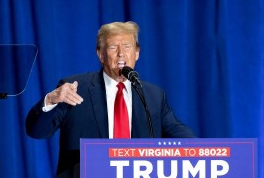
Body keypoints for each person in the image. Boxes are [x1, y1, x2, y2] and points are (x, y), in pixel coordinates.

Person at [25, 21, 195, 178]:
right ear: (101, 55)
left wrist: (207, 153)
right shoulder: (75, 88)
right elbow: (37, 131)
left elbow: (182, 137)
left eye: (127, 46)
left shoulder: (153, 95)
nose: (121, 53)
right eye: (113, 47)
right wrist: (51, 100)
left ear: (137, 53)